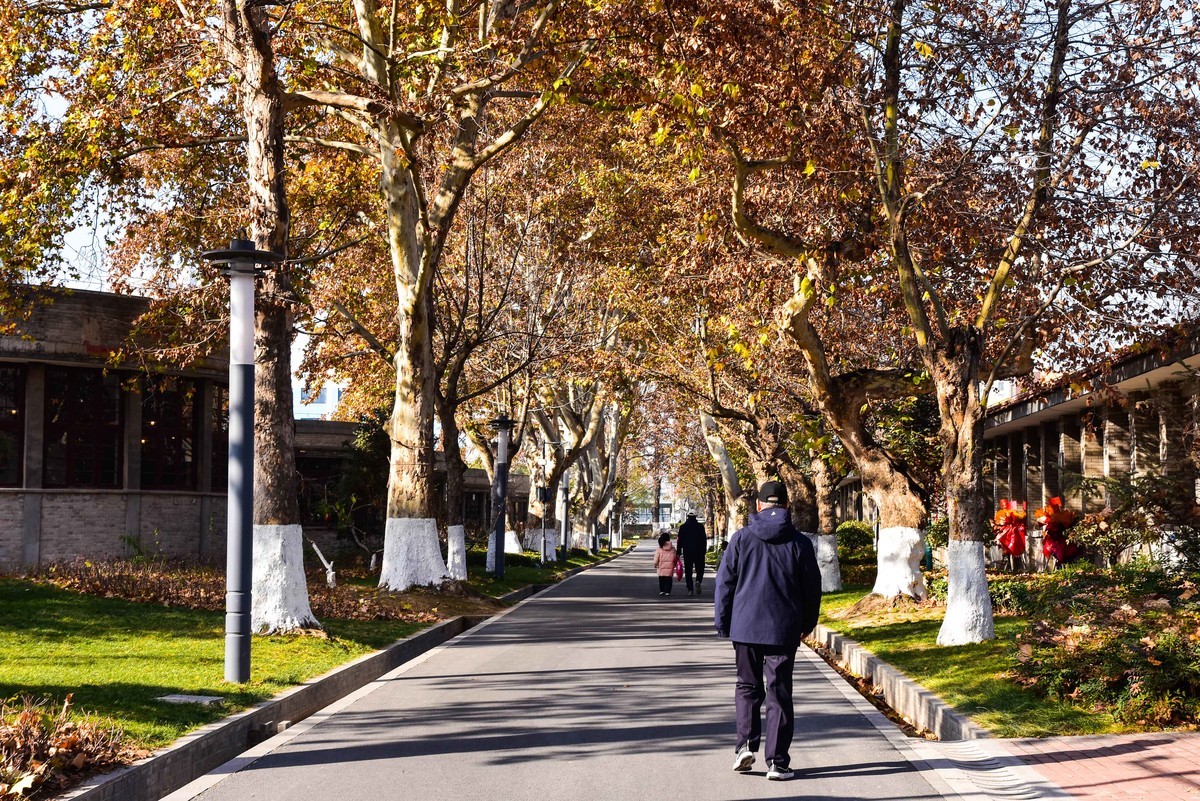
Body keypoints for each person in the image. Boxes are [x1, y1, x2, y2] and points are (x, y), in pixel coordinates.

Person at [714, 481, 821, 781]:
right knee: (779, 693)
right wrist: (807, 624)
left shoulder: (741, 539)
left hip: (745, 628)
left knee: (747, 687)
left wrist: (723, 622)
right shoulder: (800, 543)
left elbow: (725, 584)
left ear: (758, 506)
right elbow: (813, 589)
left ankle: (745, 746)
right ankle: (777, 763)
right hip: (783, 630)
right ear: (786, 506)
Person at [676, 512, 708, 596]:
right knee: (700, 569)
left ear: (688, 517)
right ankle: (698, 580)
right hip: (699, 552)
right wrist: (704, 551)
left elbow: (680, 540)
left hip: (687, 552)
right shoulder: (700, 526)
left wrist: (679, 551)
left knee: (688, 571)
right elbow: (704, 540)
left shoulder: (683, 527)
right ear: (695, 517)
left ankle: (690, 589)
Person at [653, 531, 679, 596]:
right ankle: (668, 591)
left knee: (661, 579)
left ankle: (662, 590)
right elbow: (675, 558)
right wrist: (676, 564)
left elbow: (656, 558)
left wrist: (655, 564)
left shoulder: (659, 549)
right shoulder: (673, 549)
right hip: (670, 567)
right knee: (669, 580)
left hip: (661, 567)